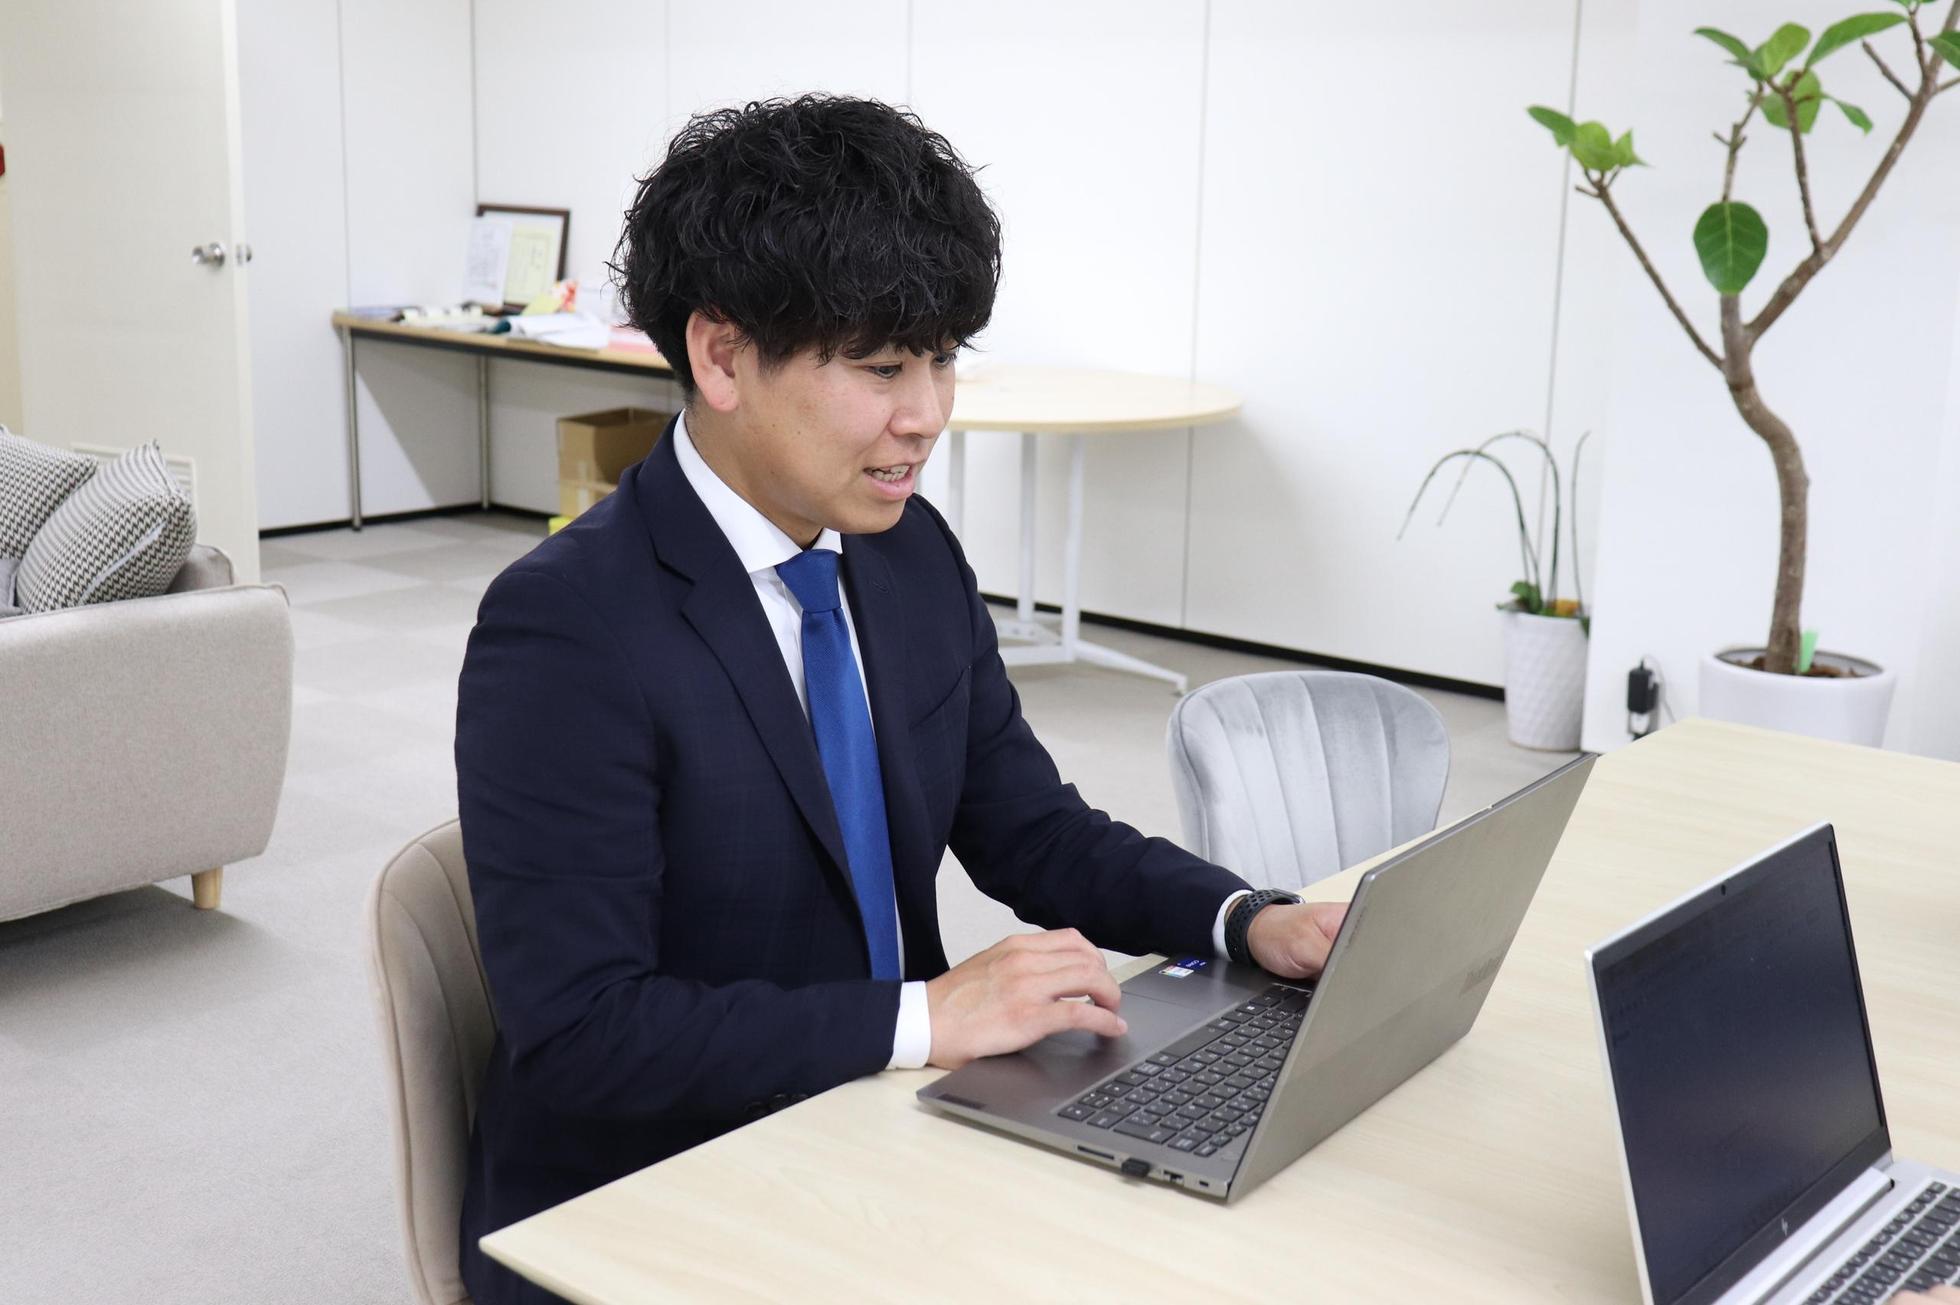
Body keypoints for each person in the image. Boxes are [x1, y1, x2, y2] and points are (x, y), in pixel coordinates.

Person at [452, 94, 1347, 1304]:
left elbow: (1031, 829)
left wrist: (1243, 919)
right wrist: (925, 1017)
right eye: (881, 368)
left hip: (883, 1121)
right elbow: (584, 1034)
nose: (925, 415)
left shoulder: (904, 550)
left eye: (941, 359)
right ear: (721, 356)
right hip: (660, 1187)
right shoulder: (567, 627)